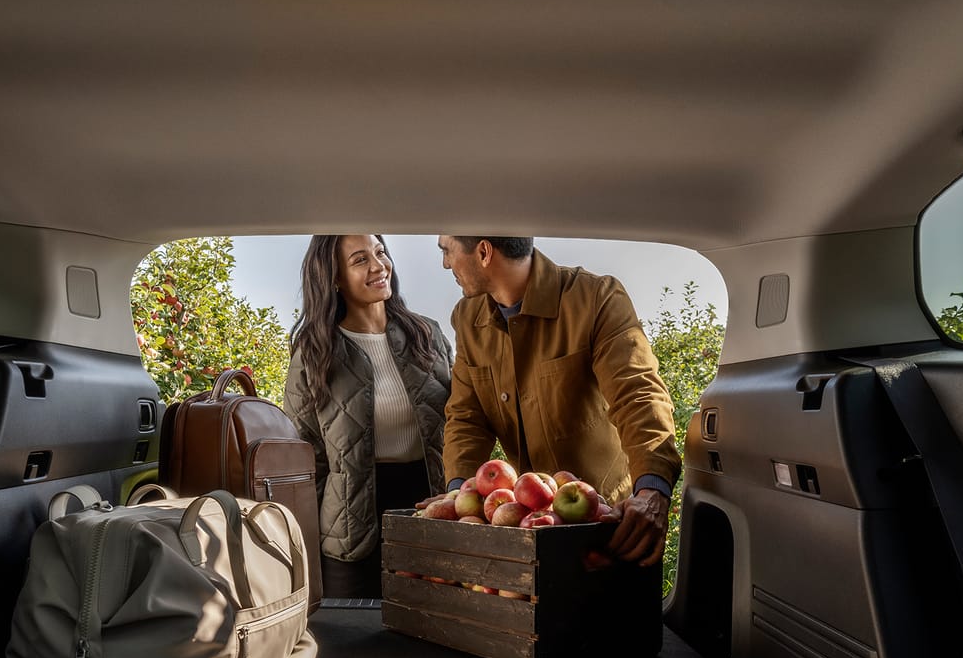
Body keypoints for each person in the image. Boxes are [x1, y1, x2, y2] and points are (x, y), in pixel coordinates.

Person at [436, 236, 680, 566]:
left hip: (608, 525)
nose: (445, 264)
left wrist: (652, 490)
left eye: (446, 250)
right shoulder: (467, 318)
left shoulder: (596, 298)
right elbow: (466, 418)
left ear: (483, 252)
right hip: (527, 532)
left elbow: (638, 396)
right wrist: (459, 497)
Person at [283, 235, 453, 599]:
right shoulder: (314, 353)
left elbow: (460, 425)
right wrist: (304, 550)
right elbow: (306, 461)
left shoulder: (428, 335)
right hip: (351, 530)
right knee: (353, 631)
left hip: (430, 514)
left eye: (380, 252)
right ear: (334, 277)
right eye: (360, 260)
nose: (379, 266)